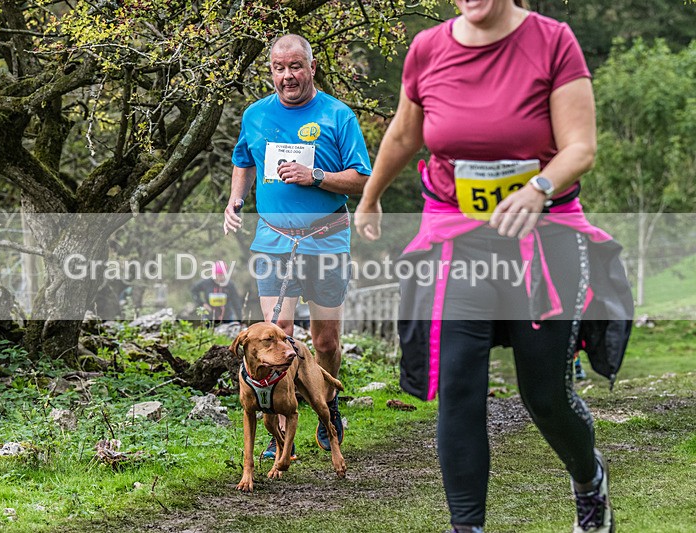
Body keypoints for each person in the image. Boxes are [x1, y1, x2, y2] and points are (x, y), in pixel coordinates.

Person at [354, 1, 631, 532]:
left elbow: (581, 146)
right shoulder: (429, 49)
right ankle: (467, 527)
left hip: (542, 239)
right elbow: (404, 135)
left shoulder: (552, 42)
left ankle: (588, 478)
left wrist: (539, 188)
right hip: (460, 244)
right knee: (457, 386)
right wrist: (371, 197)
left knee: (545, 395)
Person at [224, 34, 372, 459]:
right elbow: (242, 159)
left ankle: (327, 404)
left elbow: (362, 179)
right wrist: (236, 199)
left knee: (324, 340)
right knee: (279, 334)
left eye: (295, 67)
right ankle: (280, 427)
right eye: (279, 68)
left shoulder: (337, 116)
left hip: (325, 238)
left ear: (311, 68)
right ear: (270, 71)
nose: (287, 76)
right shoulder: (254, 115)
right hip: (273, 240)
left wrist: (316, 177)